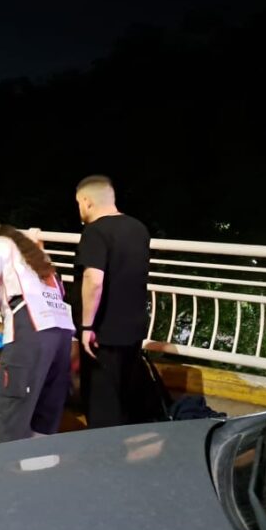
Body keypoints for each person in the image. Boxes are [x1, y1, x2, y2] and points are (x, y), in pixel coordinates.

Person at [0, 216, 75, 442]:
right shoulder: (31, 250)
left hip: (30, 323)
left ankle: (9, 470)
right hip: (61, 325)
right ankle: (41, 465)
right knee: (45, 409)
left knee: (13, 409)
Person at [73, 175, 153, 427]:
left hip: (103, 334)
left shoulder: (95, 232)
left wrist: (87, 327)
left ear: (86, 201)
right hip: (134, 327)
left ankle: (104, 459)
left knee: (102, 405)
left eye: (78, 203)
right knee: (125, 398)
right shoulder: (139, 229)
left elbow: (94, 280)